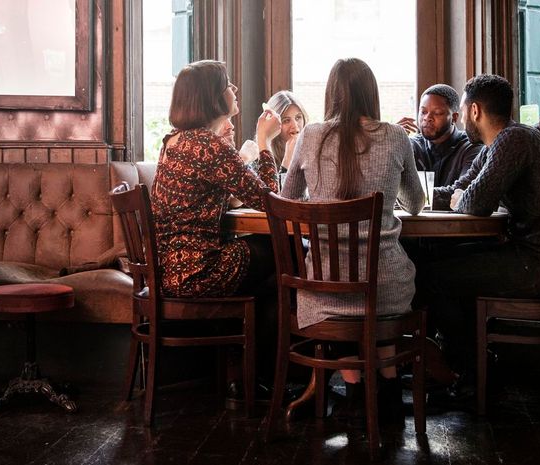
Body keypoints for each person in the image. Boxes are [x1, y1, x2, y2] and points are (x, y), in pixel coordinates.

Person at [280, 58, 424, 418]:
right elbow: (417, 204)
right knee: (376, 284)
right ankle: (388, 384)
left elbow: (287, 199)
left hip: (324, 290)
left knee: (342, 284)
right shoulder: (394, 135)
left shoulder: (310, 135)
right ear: (371, 94)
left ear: (331, 94)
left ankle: (355, 388)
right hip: (386, 287)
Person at [422, 74, 540, 379]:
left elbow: (475, 202)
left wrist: (460, 199)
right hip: (529, 253)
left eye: (465, 108)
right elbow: (459, 189)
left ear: (475, 111)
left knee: (433, 277)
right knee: (433, 260)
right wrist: (415, 196)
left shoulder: (514, 140)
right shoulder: (495, 145)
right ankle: (462, 362)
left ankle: (468, 372)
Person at [152, 59, 281, 298]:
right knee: (288, 248)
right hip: (198, 274)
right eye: (228, 85)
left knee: (275, 256)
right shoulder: (209, 146)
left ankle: (241, 328)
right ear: (213, 97)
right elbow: (271, 201)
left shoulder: (173, 141)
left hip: (168, 274)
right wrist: (265, 140)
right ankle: (276, 332)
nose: (235, 89)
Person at [397, 84, 484, 208]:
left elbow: (462, 194)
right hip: (412, 225)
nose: (427, 118)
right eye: (423, 112)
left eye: (437, 113)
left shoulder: (472, 148)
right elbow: (387, 188)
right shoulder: (410, 145)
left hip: (459, 226)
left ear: (454, 117)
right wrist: (392, 144)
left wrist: (410, 197)